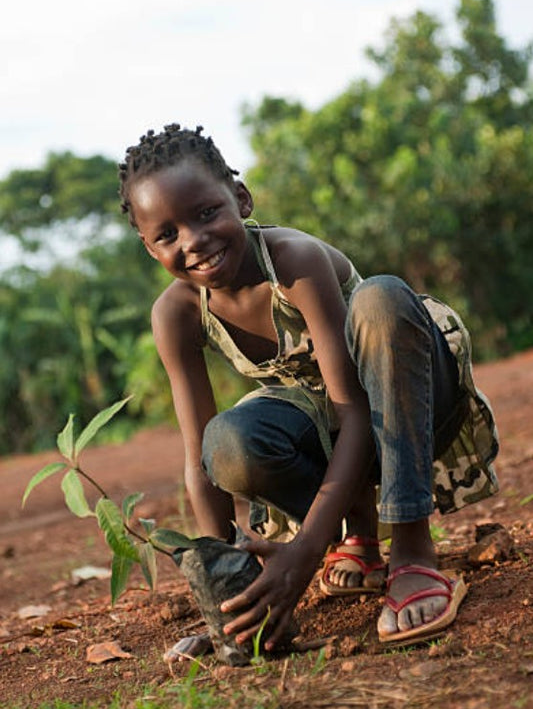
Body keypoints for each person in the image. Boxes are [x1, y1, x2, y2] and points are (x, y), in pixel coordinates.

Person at [118, 123, 499, 651]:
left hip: (410, 401)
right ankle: (359, 539)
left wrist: (306, 550)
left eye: (207, 213)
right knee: (225, 444)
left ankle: (412, 547)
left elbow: (357, 410)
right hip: (331, 429)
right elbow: (198, 465)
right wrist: (226, 595)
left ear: (241, 198)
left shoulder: (294, 261)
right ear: (148, 246)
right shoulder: (176, 313)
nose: (194, 241)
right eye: (167, 234)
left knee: (381, 299)